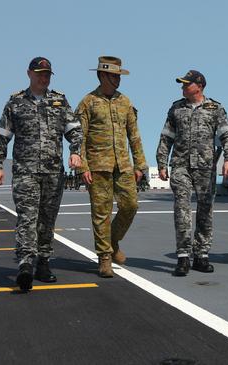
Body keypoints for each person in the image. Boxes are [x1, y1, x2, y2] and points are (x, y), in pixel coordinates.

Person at [0, 57, 82, 291]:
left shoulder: (60, 101)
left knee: (47, 221)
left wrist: (76, 152)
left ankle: (43, 262)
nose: (44, 77)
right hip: (25, 172)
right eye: (40, 73)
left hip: (53, 172)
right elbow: (1, 136)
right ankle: (25, 264)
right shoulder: (16, 103)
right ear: (29, 74)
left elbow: (74, 130)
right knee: (27, 218)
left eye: (48, 74)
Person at [156, 70, 228, 276]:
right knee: (181, 209)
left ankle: (201, 255)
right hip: (181, 165)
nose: (182, 87)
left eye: (186, 84)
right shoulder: (176, 108)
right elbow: (166, 137)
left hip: (205, 166)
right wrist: (162, 163)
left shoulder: (215, 108)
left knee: (205, 210)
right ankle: (183, 256)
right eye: (182, 84)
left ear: (199, 86)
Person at [76, 56, 147, 278]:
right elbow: (79, 137)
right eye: (114, 75)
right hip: (98, 166)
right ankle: (104, 257)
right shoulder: (88, 102)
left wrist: (140, 164)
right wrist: (82, 167)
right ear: (102, 75)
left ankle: (113, 240)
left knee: (130, 206)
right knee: (101, 213)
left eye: (119, 76)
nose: (117, 79)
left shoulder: (125, 102)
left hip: (123, 165)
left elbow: (134, 136)